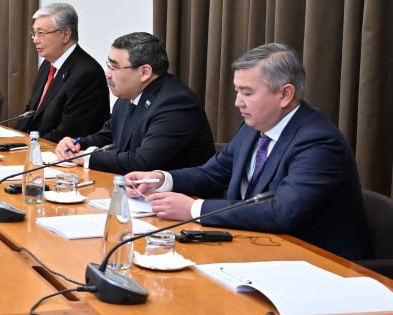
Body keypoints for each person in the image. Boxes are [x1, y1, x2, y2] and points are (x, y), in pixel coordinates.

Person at [127, 43, 369, 260]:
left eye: (247, 92)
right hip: (253, 247)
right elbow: (211, 174)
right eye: (237, 91)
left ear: (285, 94)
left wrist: (194, 209)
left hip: (317, 264)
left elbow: (283, 212)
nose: (238, 102)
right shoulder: (252, 127)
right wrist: (161, 179)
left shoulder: (319, 142)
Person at [55, 32, 214, 173]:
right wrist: (78, 144)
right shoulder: (128, 97)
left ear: (144, 72)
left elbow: (143, 162)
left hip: (178, 194)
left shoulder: (176, 104)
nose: (108, 73)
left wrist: (88, 158)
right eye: (108, 65)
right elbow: (109, 135)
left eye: (114, 67)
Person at [17, 3, 109, 141]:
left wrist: (29, 145)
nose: (35, 40)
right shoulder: (48, 63)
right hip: (34, 144)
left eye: (41, 33)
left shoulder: (87, 74)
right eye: (34, 33)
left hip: (58, 149)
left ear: (65, 35)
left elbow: (69, 131)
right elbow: (31, 111)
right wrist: (14, 141)